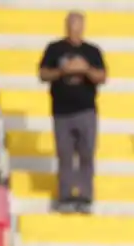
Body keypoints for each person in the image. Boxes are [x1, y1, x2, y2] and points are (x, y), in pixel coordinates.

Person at [38, 12, 106, 213]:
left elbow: (102, 76)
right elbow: (42, 74)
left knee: (86, 154)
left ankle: (85, 197)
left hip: (86, 111)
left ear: (83, 27)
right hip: (61, 112)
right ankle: (65, 196)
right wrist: (63, 71)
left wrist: (85, 70)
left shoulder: (92, 51)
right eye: (71, 26)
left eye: (78, 27)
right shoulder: (54, 49)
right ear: (66, 26)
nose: (74, 30)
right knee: (65, 156)